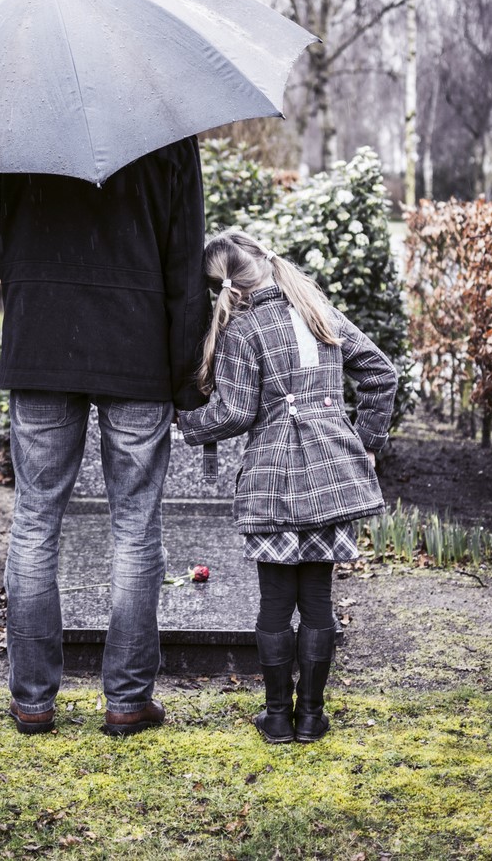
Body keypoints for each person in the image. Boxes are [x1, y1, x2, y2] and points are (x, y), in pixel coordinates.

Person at [0, 137, 209, 737]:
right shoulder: (167, 131)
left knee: (35, 519)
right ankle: (126, 700)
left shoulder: (21, 126)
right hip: (137, 350)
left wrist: (39, 273)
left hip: (41, 344)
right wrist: (185, 381)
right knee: (136, 525)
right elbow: (184, 264)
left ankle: (33, 702)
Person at [178, 229, 397, 744]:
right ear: (265, 263)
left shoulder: (243, 328)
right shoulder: (318, 310)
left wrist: (186, 423)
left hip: (273, 479)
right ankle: (312, 717)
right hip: (330, 475)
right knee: (317, 596)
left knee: (276, 602)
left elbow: (233, 412)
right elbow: (381, 373)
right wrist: (364, 442)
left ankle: (277, 716)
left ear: (223, 289)